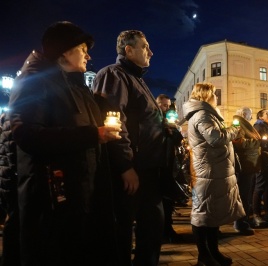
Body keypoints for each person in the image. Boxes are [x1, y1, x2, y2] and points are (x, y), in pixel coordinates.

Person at [8, 21, 121, 266]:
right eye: (82, 48)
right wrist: (94, 135)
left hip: (80, 198)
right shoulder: (35, 82)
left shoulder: (74, 84)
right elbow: (27, 134)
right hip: (53, 202)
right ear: (64, 52)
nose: (88, 55)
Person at [93, 29, 166, 265]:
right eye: (145, 46)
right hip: (132, 170)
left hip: (147, 167)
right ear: (129, 50)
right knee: (121, 231)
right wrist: (125, 166)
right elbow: (114, 122)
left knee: (153, 226)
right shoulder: (114, 75)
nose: (151, 52)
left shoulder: (136, 78)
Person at [183, 83, 245, 266]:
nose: (217, 97)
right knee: (202, 214)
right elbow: (216, 138)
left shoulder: (207, 114)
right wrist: (235, 130)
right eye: (214, 94)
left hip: (215, 171)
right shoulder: (202, 115)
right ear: (206, 96)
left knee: (212, 213)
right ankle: (203, 256)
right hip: (207, 172)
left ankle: (213, 252)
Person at [232, 107, 267, 232]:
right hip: (245, 164)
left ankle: (245, 219)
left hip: (250, 164)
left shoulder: (245, 124)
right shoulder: (238, 124)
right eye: (250, 115)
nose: (251, 117)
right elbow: (238, 142)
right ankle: (241, 222)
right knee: (243, 195)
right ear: (244, 114)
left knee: (247, 194)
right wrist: (257, 142)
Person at [156, 94, 185, 243]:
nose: (166, 108)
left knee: (169, 201)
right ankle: (161, 230)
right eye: (164, 105)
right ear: (157, 104)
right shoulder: (155, 120)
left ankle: (168, 229)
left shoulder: (169, 122)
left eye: (168, 106)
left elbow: (179, 140)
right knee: (160, 201)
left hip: (170, 165)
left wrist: (173, 129)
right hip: (158, 165)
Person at [0, 111, 20, 266]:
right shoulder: (14, 118)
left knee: (12, 223)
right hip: (13, 180)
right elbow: (13, 154)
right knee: (14, 226)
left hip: (7, 178)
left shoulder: (8, 117)